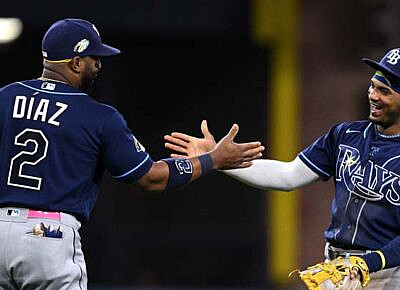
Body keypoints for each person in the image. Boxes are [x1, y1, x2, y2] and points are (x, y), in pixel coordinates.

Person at [0, 18, 265, 289]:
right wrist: (212, 159)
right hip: (47, 236)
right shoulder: (97, 116)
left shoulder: (5, 97)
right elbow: (151, 178)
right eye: (94, 58)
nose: (99, 64)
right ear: (76, 62)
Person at [164, 48, 400, 289]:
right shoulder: (345, 135)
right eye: (372, 86)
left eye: (384, 91)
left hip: (387, 274)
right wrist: (216, 160)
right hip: (338, 269)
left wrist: (369, 263)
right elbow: (289, 176)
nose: (373, 95)